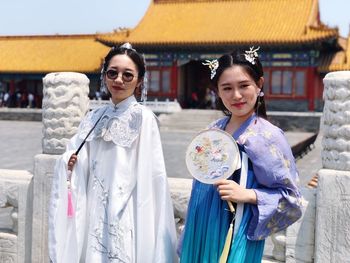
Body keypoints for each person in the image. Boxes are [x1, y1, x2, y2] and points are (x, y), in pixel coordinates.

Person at [48, 43, 178, 263]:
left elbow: (152, 176)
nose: (119, 80)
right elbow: (78, 154)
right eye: (112, 73)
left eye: (128, 75)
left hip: (126, 209)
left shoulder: (143, 118)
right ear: (104, 76)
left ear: (139, 81)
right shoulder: (94, 117)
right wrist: (69, 162)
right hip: (93, 205)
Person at [179, 47, 302, 262]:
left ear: (259, 85)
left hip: (235, 231)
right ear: (217, 91)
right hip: (200, 226)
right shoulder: (213, 130)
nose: (236, 95)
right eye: (226, 88)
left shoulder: (268, 136)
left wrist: (247, 194)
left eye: (244, 86)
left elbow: (291, 199)